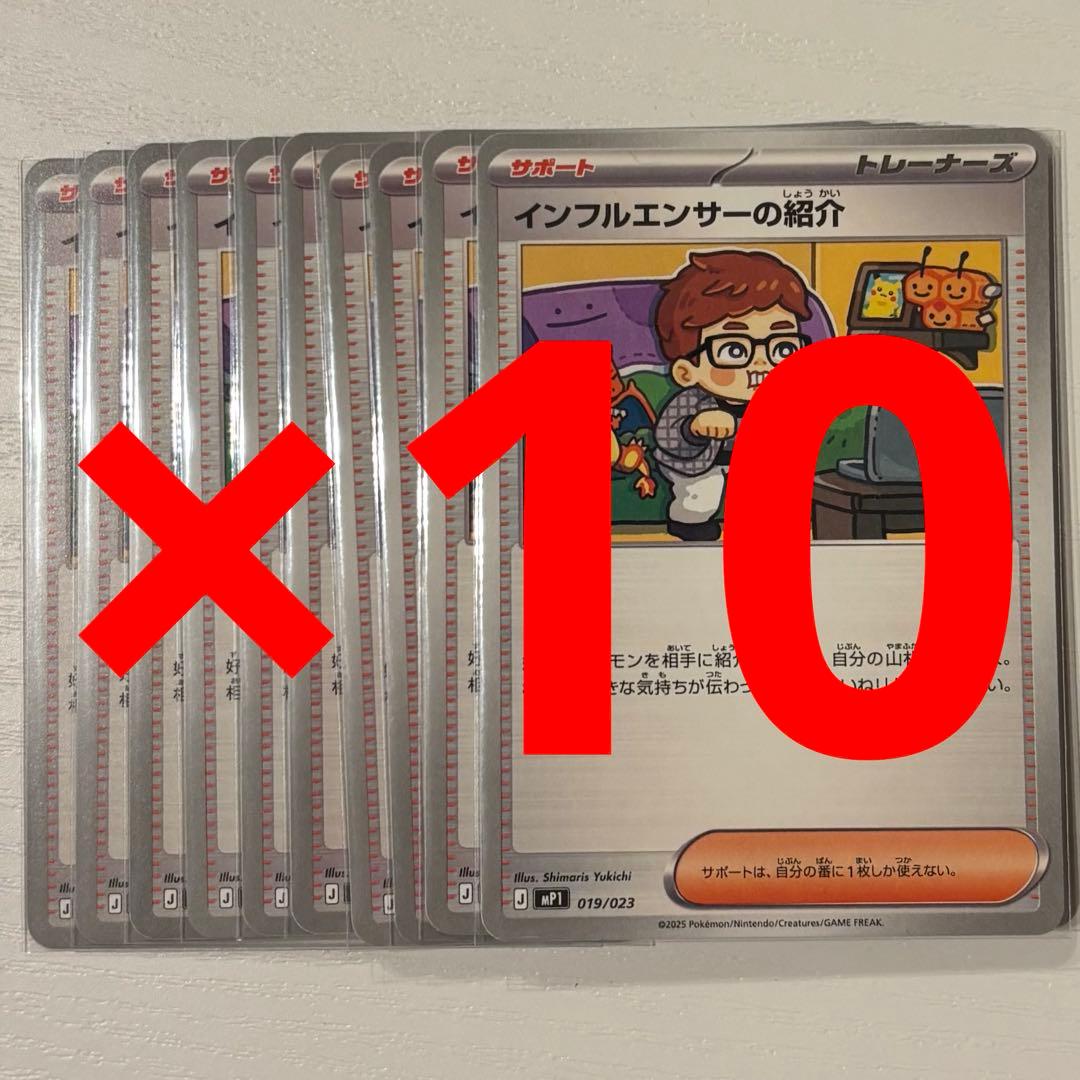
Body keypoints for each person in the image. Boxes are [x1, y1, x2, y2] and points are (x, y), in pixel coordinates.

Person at [653, 250, 812, 541]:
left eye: (783, 348)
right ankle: (687, 523)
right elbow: (668, 436)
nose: (761, 363)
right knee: (703, 491)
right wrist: (694, 428)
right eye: (734, 350)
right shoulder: (692, 401)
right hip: (698, 463)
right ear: (687, 372)